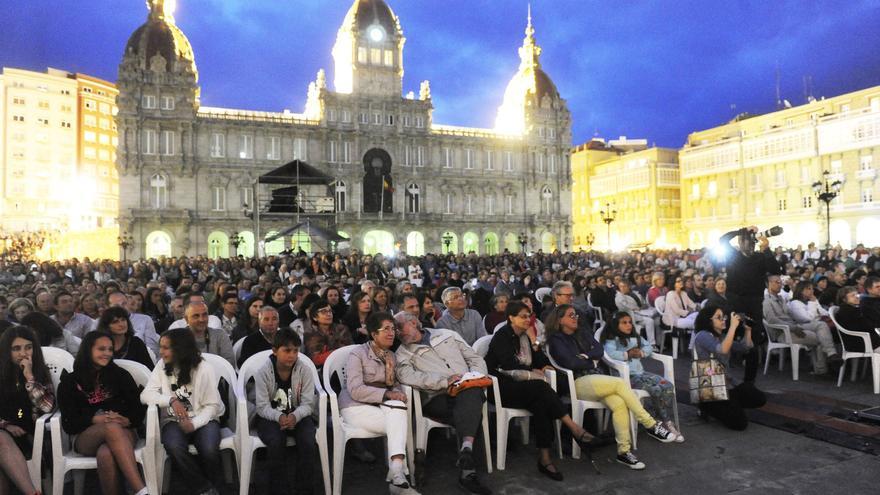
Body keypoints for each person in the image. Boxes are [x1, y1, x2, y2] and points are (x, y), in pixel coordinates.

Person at [487, 302, 612, 480]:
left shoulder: (524, 336)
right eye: (522, 316)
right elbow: (508, 365)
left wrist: (540, 358)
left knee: (543, 402)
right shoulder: (502, 336)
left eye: (529, 316)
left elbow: (539, 359)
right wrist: (533, 371)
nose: (527, 319)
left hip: (525, 387)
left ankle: (545, 458)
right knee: (542, 387)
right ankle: (575, 429)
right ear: (511, 318)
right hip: (501, 387)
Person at [545, 304, 675, 471]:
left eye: (576, 314)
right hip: (578, 383)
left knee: (619, 403)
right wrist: (589, 361)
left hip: (598, 379)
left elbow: (599, 350)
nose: (575, 317)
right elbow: (570, 363)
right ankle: (650, 424)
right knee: (620, 383)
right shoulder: (556, 340)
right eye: (571, 315)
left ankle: (624, 452)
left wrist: (586, 356)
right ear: (560, 320)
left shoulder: (582, 332)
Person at [394, 312, 492, 495]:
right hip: (437, 397)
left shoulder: (446, 335)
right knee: (471, 406)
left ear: (414, 322)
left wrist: (475, 376)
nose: (398, 332)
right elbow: (408, 376)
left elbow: (475, 358)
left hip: (467, 389)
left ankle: (466, 456)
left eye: (400, 327)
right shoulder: (402, 353)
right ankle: (468, 466)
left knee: (469, 396)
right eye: (395, 329)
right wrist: (444, 381)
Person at [339, 312, 419, 495]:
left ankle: (397, 475)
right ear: (374, 334)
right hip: (354, 407)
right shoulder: (357, 354)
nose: (392, 333)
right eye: (386, 329)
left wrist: (396, 394)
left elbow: (396, 385)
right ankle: (398, 477)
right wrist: (388, 394)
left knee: (399, 410)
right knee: (400, 421)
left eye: (393, 329)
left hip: (383, 408)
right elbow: (356, 389)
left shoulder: (391, 356)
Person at [58, 332, 148, 495]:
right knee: (110, 426)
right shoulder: (70, 382)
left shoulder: (120, 375)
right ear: (88, 350)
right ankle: (141, 490)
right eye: (101, 349)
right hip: (86, 437)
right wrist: (94, 419)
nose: (107, 353)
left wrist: (127, 420)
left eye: (110, 349)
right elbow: (68, 422)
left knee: (106, 452)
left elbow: (138, 409)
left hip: (125, 432)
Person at [141, 328, 225, 495]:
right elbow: (145, 395)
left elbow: (212, 406)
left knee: (208, 448)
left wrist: (194, 424)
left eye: (166, 347)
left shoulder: (203, 368)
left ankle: (216, 486)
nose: (161, 352)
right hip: (173, 420)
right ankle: (205, 488)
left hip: (205, 418)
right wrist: (170, 400)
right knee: (174, 446)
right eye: (161, 347)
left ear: (180, 348)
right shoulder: (161, 365)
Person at [251, 328, 317, 495]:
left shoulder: (304, 370)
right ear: (275, 351)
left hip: (299, 414)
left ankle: (304, 488)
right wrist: (279, 416)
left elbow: (308, 403)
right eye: (287, 350)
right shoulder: (263, 372)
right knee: (275, 440)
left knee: (308, 439)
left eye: (296, 351)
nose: (292, 355)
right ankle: (279, 489)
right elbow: (262, 406)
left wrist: (295, 415)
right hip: (270, 416)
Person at [600, 312, 683, 442]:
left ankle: (658, 419)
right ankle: (665, 422)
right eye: (624, 323)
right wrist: (627, 354)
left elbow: (648, 345)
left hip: (641, 374)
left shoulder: (635, 337)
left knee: (667, 386)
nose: (628, 325)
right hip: (626, 378)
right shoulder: (613, 339)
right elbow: (610, 354)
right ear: (616, 325)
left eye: (629, 322)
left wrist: (642, 353)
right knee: (655, 389)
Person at [693, 304, 767, 430]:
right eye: (719, 317)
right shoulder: (702, 336)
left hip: (728, 383)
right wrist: (733, 326)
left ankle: (729, 406)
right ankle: (706, 406)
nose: (724, 320)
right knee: (739, 424)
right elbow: (722, 350)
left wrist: (748, 330)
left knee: (759, 398)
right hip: (711, 386)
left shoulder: (722, 337)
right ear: (708, 320)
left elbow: (746, 347)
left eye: (724, 317)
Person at [0, 326, 55, 495]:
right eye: (16, 349)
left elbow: (47, 407)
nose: (23, 353)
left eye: (28, 347)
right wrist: (5, 424)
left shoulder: (39, 373)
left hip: (27, 434)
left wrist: (30, 378)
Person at [718, 227, 783, 346]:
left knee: (753, 337)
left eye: (749, 240)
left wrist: (766, 250)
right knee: (736, 334)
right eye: (743, 240)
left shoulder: (760, 257)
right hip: (736, 302)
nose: (746, 242)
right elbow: (723, 239)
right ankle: (735, 361)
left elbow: (775, 270)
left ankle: (751, 361)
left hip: (754, 303)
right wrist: (742, 231)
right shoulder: (733, 255)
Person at [780, 279, 843, 372]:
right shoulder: (795, 303)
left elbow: (824, 313)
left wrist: (815, 305)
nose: (812, 291)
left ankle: (822, 369)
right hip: (801, 326)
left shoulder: (811, 300)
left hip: (815, 327)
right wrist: (813, 304)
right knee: (822, 327)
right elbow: (806, 318)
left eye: (812, 289)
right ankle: (831, 355)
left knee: (823, 336)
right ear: (801, 290)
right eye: (808, 289)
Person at [302, 299, 353, 369]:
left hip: (346, 365)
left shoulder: (342, 329)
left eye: (330, 311)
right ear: (315, 317)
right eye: (323, 312)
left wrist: (327, 352)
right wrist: (336, 351)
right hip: (321, 370)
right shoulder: (310, 334)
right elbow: (316, 359)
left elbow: (349, 351)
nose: (329, 314)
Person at [184, 301, 235, 368]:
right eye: (196, 316)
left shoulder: (220, 335)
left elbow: (229, 363)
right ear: (186, 319)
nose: (201, 319)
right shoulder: (178, 338)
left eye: (205, 315)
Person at [614, 280, 659, 347]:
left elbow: (643, 303)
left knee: (651, 320)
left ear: (629, 287)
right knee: (650, 319)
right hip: (630, 316)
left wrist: (643, 306)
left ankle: (652, 343)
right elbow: (626, 307)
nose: (623, 288)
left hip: (640, 313)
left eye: (625, 286)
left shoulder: (635, 293)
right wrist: (636, 309)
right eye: (621, 287)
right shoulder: (619, 297)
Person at [834, 286, 880, 351]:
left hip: (865, 339)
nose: (857, 297)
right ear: (844, 299)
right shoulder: (847, 312)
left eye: (857, 294)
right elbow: (865, 327)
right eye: (852, 295)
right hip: (860, 342)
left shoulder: (854, 309)